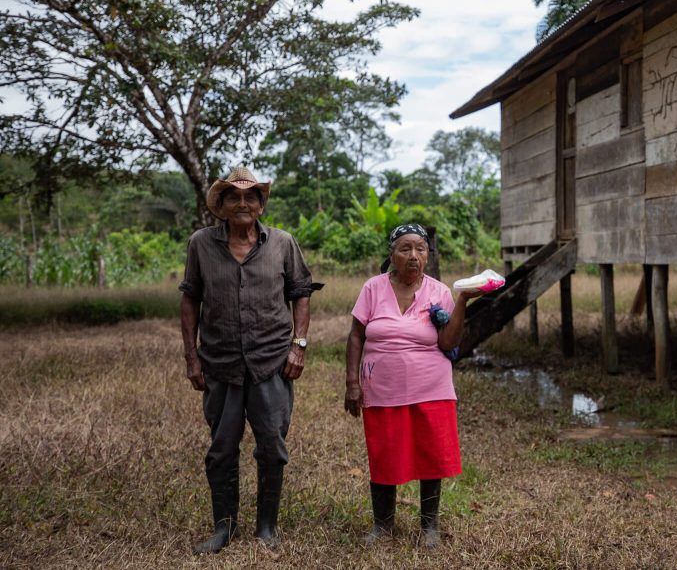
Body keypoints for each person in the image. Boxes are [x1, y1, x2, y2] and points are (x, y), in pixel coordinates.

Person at [180, 167, 319, 554]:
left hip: (271, 361)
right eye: (234, 197)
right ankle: (223, 528)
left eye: (251, 196)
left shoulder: (283, 243)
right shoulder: (201, 244)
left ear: (260, 205)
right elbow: (190, 297)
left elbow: (301, 292)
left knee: (272, 446)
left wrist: (299, 345)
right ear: (221, 205)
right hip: (219, 363)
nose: (243, 203)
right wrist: (192, 357)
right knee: (222, 448)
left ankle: (266, 528)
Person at [344, 224, 478, 548]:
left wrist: (461, 302)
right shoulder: (373, 288)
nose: (413, 256)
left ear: (428, 255)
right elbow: (356, 336)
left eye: (420, 249)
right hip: (382, 389)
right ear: (392, 254)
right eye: (405, 249)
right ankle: (382, 526)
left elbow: (447, 341)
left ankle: (429, 527)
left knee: (431, 456)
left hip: (431, 388)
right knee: (384, 454)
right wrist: (351, 383)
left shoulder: (440, 292)